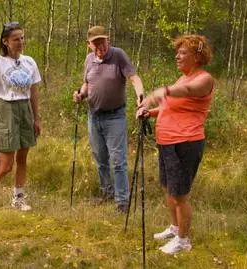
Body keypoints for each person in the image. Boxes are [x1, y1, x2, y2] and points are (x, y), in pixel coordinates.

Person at [137, 34, 214, 254]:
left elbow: (189, 92)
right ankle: (174, 228)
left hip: (186, 142)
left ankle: (183, 241)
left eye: (183, 53)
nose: (177, 56)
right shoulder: (182, 78)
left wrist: (165, 91)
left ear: (197, 57)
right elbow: (170, 107)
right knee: (168, 188)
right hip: (167, 141)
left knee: (179, 194)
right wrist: (149, 112)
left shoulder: (204, 79)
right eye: (177, 52)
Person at [73, 26, 145, 213]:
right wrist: (81, 94)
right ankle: (106, 192)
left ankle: (122, 202)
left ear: (108, 39)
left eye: (102, 42)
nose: (100, 47)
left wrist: (140, 95)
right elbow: (88, 83)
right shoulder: (89, 60)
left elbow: (134, 77)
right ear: (89, 45)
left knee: (118, 160)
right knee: (101, 158)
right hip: (94, 116)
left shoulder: (118, 55)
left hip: (115, 117)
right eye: (95, 44)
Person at [0, 22, 42, 216]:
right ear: (5, 42)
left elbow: (34, 92)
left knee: (22, 159)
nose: (20, 42)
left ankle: (18, 198)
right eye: (16, 39)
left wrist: (36, 118)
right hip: (5, 110)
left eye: (22, 38)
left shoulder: (29, 61)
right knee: (5, 165)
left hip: (25, 110)